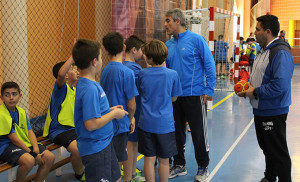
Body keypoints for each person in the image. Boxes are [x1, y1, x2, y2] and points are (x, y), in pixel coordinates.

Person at [237, 15, 294, 182]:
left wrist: (255, 92)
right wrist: (247, 86)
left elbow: (280, 86)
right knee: (268, 148)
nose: (254, 32)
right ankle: (270, 177)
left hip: (273, 109)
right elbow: (261, 76)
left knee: (278, 152)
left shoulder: (280, 53)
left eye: (257, 29)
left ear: (268, 31)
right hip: (260, 107)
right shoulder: (263, 49)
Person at [164, 8, 216, 182]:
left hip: (195, 95)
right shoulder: (168, 45)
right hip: (175, 97)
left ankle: (203, 167)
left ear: (178, 21)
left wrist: (208, 90)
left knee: (198, 134)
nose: (165, 24)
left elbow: (209, 65)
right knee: (176, 133)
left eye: (168, 20)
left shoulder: (196, 40)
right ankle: (179, 164)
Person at [73, 39, 128, 182]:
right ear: (94, 62)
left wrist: (110, 109)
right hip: (96, 148)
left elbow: (94, 111)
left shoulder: (90, 84)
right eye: (100, 57)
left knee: (116, 178)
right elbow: (91, 124)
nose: (101, 60)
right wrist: (114, 114)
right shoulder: (89, 89)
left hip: (105, 143)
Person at [137, 39, 182, 182]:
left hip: (146, 123)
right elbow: (174, 98)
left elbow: (140, 93)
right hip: (165, 124)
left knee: (149, 159)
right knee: (164, 160)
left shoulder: (142, 74)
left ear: (150, 58)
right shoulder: (173, 74)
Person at [101, 32, 138, 182]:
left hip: (106, 121)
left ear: (106, 50)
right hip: (120, 123)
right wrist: (130, 118)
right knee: (118, 160)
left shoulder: (104, 71)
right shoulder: (127, 72)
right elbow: (132, 104)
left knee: (111, 156)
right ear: (124, 47)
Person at [0, 82, 55, 182]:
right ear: (2, 97)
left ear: (20, 96)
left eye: (14, 94)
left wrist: (35, 148)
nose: (11, 97)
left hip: (23, 142)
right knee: (29, 161)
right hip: (6, 146)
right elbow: (14, 140)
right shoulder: (1, 114)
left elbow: (30, 131)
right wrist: (33, 154)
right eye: (7, 95)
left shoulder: (21, 111)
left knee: (49, 157)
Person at [43, 55, 85, 181]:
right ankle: (80, 175)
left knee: (91, 142)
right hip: (58, 130)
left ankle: (82, 169)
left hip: (73, 129)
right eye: (73, 68)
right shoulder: (61, 89)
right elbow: (60, 75)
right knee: (78, 150)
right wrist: (73, 56)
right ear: (66, 75)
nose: (77, 70)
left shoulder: (74, 90)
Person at [123, 35, 146, 182]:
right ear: (133, 50)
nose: (143, 54)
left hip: (127, 110)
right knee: (131, 144)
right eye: (141, 50)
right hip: (133, 111)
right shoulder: (136, 70)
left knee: (132, 143)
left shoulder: (122, 66)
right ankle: (130, 175)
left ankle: (131, 172)